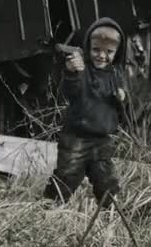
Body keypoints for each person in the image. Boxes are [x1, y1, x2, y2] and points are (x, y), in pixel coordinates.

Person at [44, 17, 127, 209]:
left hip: (103, 140)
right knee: (66, 176)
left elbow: (122, 112)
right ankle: (49, 208)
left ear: (117, 52)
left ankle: (112, 212)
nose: (102, 55)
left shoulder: (116, 75)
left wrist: (122, 99)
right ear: (89, 47)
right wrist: (73, 73)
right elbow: (70, 91)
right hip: (76, 138)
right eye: (96, 49)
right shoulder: (82, 69)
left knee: (107, 181)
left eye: (109, 52)